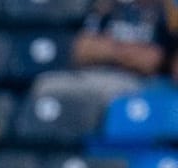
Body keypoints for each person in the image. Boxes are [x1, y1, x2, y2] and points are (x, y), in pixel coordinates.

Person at [34, 0, 171, 108]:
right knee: (45, 85)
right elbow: (80, 50)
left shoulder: (163, 10)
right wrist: (128, 53)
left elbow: (151, 61)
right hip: (88, 75)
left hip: (134, 82)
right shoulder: (105, 6)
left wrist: (106, 48)